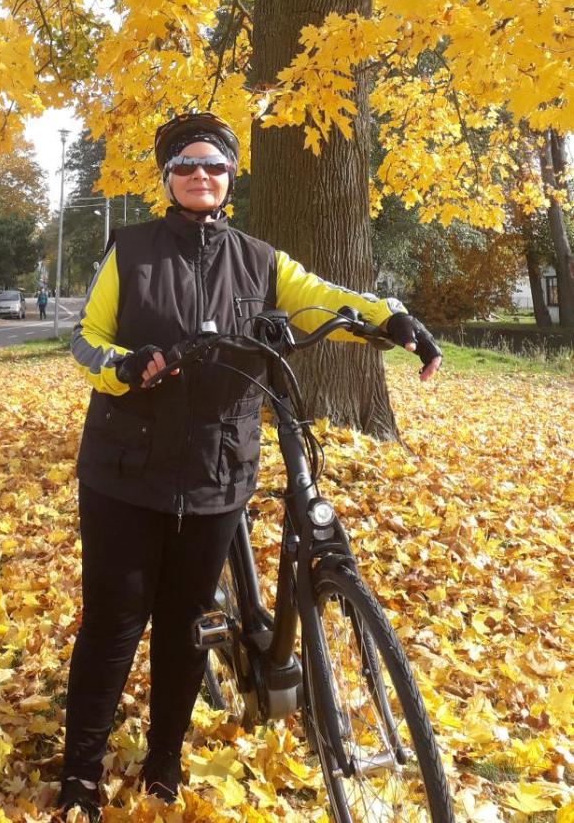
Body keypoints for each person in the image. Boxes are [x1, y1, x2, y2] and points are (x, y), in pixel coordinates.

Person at [58, 112, 442, 818]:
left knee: (188, 624)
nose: (200, 175)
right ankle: (79, 773)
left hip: (217, 470)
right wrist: (125, 366)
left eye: (214, 165)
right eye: (185, 164)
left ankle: (164, 760)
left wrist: (388, 319)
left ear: (230, 178)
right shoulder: (131, 251)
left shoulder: (261, 260)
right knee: (114, 624)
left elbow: (324, 298)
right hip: (125, 471)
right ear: (167, 178)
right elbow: (85, 339)